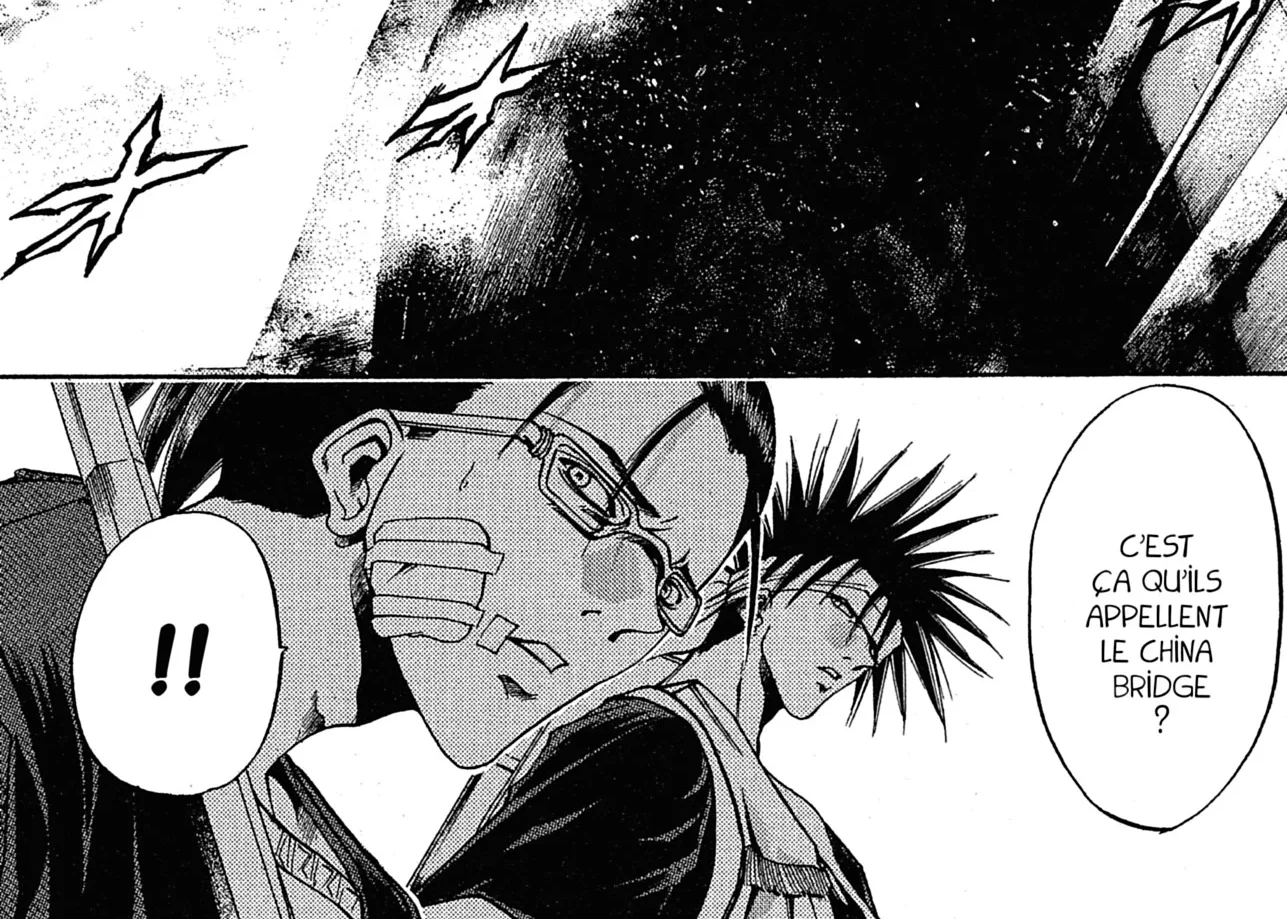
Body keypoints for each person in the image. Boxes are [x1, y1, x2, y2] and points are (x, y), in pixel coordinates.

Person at [0, 378, 774, 919]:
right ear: (362, 466)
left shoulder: (357, 894)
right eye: (584, 485)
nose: (621, 615)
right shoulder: (35, 601)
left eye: (671, 589)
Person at [414, 429, 999, 919]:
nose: (857, 657)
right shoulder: (652, 746)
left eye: (876, 648)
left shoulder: (832, 856)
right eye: (846, 613)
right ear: (767, 582)